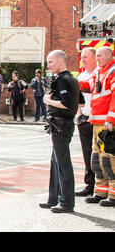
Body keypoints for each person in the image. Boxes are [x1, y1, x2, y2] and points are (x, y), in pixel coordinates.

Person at [39, 50, 84, 213]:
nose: (48, 66)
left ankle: (66, 202)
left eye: (50, 62)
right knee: (55, 162)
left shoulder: (64, 79)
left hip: (61, 125)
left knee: (63, 163)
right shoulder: (71, 78)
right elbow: (80, 102)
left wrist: (48, 100)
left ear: (59, 61)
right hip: (61, 124)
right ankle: (54, 198)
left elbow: (67, 103)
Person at [80, 46, 115, 207]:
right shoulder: (101, 72)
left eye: (100, 56)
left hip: (106, 123)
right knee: (97, 159)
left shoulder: (112, 71)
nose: (98, 58)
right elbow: (87, 87)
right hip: (96, 122)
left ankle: (113, 194)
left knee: (108, 159)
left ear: (109, 55)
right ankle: (100, 191)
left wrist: (111, 118)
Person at [75, 47, 97, 197]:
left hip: (97, 119)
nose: (83, 59)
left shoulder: (100, 74)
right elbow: (78, 98)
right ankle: (89, 184)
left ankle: (102, 185)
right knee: (87, 153)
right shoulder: (81, 75)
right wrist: (79, 115)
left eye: (86, 57)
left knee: (99, 154)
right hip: (84, 118)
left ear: (94, 58)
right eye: (82, 57)